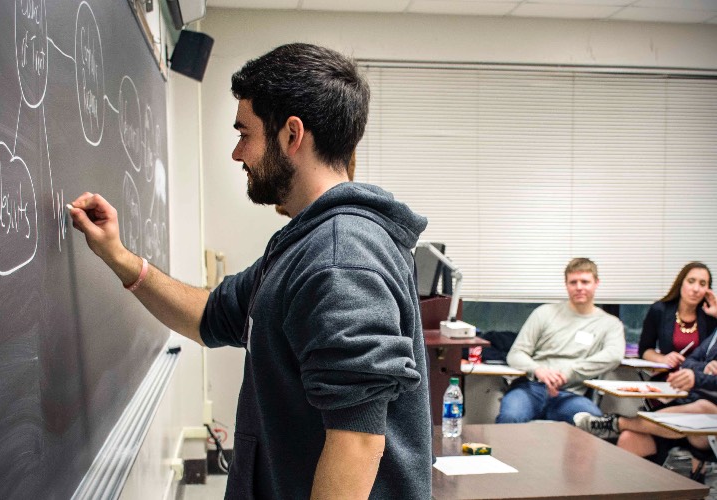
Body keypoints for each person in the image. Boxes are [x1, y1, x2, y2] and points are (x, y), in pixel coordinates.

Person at [68, 43, 432, 499]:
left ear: (292, 136)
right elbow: (212, 315)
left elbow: (356, 441)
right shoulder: (305, 245)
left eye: (245, 132)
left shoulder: (340, 258)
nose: (238, 152)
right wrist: (120, 258)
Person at [575, 298, 717, 474]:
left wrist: (698, 376)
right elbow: (689, 363)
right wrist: (703, 368)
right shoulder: (714, 334)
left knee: (701, 410)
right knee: (629, 439)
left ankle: (615, 422)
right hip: (689, 402)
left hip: (706, 415)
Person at [495, 258, 625, 424]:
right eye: (573, 282)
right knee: (509, 417)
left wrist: (569, 372)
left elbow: (613, 355)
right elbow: (516, 354)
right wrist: (538, 370)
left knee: (594, 422)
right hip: (531, 389)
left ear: (596, 283)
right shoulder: (544, 313)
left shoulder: (609, 323)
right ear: (566, 285)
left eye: (585, 282)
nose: (579, 287)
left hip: (570, 394)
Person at [638, 262, 717, 368]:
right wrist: (663, 359)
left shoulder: (709, 316)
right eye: (691, 281)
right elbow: (644, 350)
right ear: (681, 283)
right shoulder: (659, 310)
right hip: (667, 378)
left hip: (700, 379)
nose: (696, 289)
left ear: (708, 290)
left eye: (702, 284)